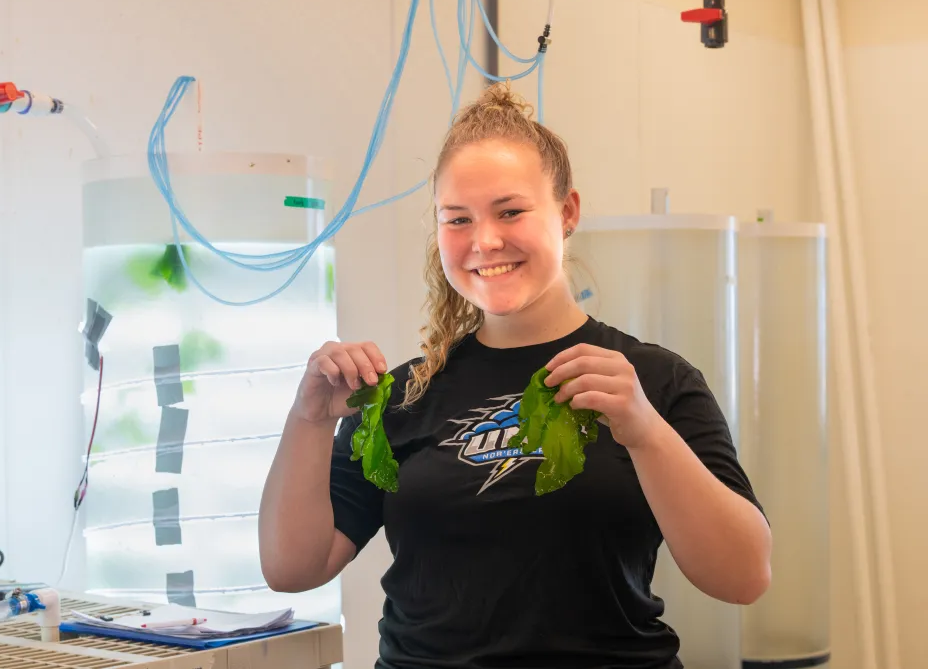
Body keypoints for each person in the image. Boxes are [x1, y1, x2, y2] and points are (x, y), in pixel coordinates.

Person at [258, 82, 772, 669]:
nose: (485, 241)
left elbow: (743, 577)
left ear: (567, 212)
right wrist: (308, 421)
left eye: (511, 211)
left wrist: (646, 431)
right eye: (457, 219)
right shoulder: (403, 395)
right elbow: (293, 569)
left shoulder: (652, 382)